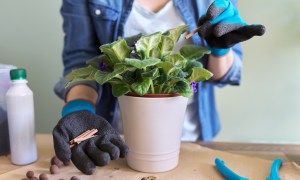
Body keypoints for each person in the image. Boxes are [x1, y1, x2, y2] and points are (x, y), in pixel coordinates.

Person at [53, 0, 265, 174]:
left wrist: (220, 47)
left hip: (195, 142)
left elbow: (224, 74)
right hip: (116, 142)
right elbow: (80, 60)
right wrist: (79, 109)